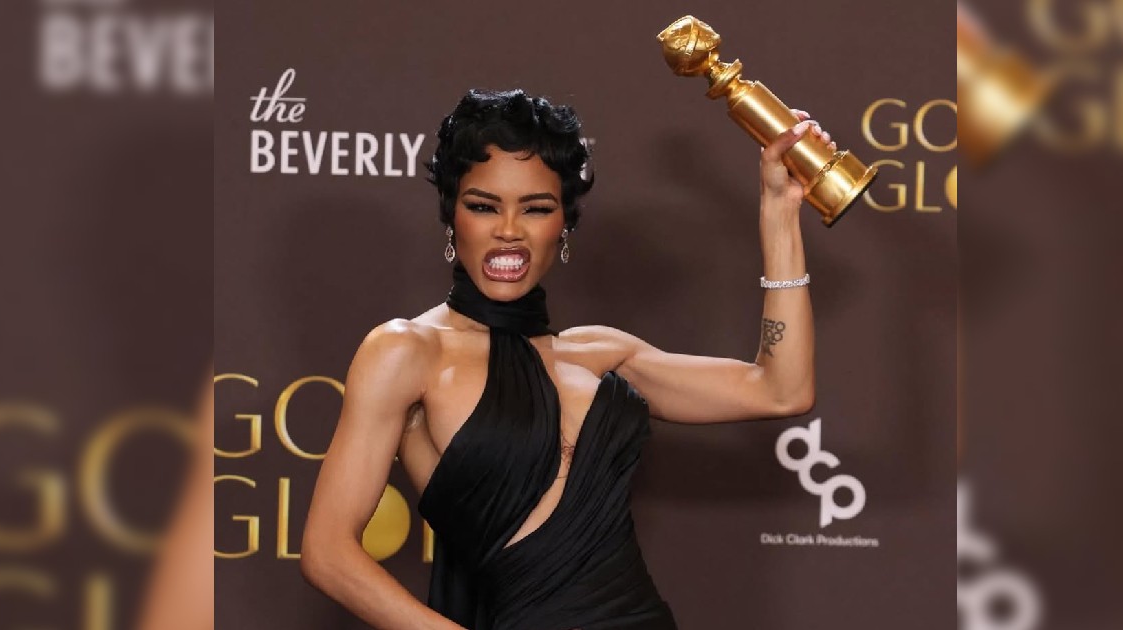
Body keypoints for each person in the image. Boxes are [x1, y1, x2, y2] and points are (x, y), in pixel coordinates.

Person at [299, 88, 833, 630]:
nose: (509, 230)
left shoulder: (600, 353)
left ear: (564, 225)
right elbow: (328, 551)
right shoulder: (406, 351)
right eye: (483, 206)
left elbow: (781, 390)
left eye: (536, 208)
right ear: (451, 217)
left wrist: (779, 210)